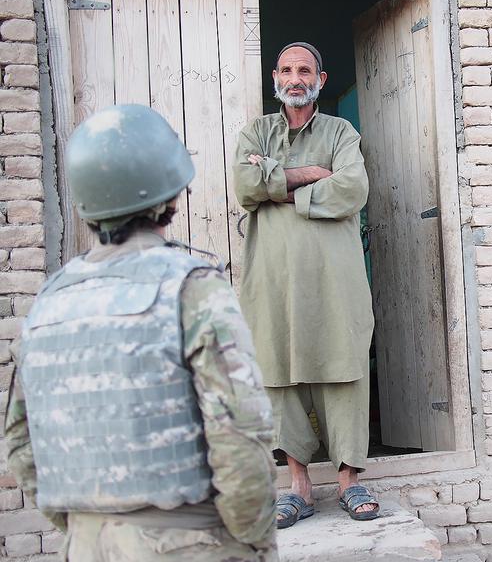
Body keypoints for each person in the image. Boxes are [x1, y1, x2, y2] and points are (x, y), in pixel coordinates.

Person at [3, 104, 277, 561]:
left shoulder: (48, 301)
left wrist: (88, 528)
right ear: (170, 196)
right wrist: (253, 541)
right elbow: (240, 435)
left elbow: (19, 440)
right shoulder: (193, 288)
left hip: (85, 545)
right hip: (188, 544)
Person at [232, 41, 378, 528]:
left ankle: (349, 482)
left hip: (334, 278)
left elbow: (352, 188)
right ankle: (297, 486)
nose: (296, 78)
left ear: (320, 78)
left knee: (344, 364)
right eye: (288, 70)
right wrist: (311, 175)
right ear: (276, 76)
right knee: (279, 370)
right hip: (271, 280)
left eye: (305, 71)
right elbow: (244, 187)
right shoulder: (257, 131)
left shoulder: (341, 131)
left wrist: (278, 187)